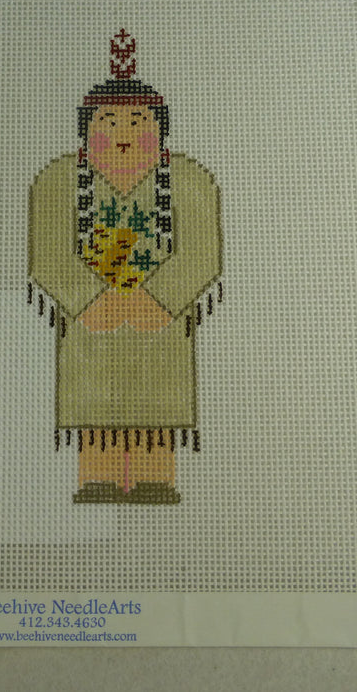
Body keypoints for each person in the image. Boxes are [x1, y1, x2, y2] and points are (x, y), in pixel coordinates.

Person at [28, 31, 222, 504]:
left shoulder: (187, 179)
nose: (123, 133)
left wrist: (161, 298)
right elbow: (48, 252)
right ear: (86, 132)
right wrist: (89, 300)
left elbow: (202, 251)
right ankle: (97, 475)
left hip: (162, 322)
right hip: (90, 321)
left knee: (158, 394)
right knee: (95, 395)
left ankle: (156, 477)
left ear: (160, 132)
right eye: (108, 121)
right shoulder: (59, 180)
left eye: (138, 121)